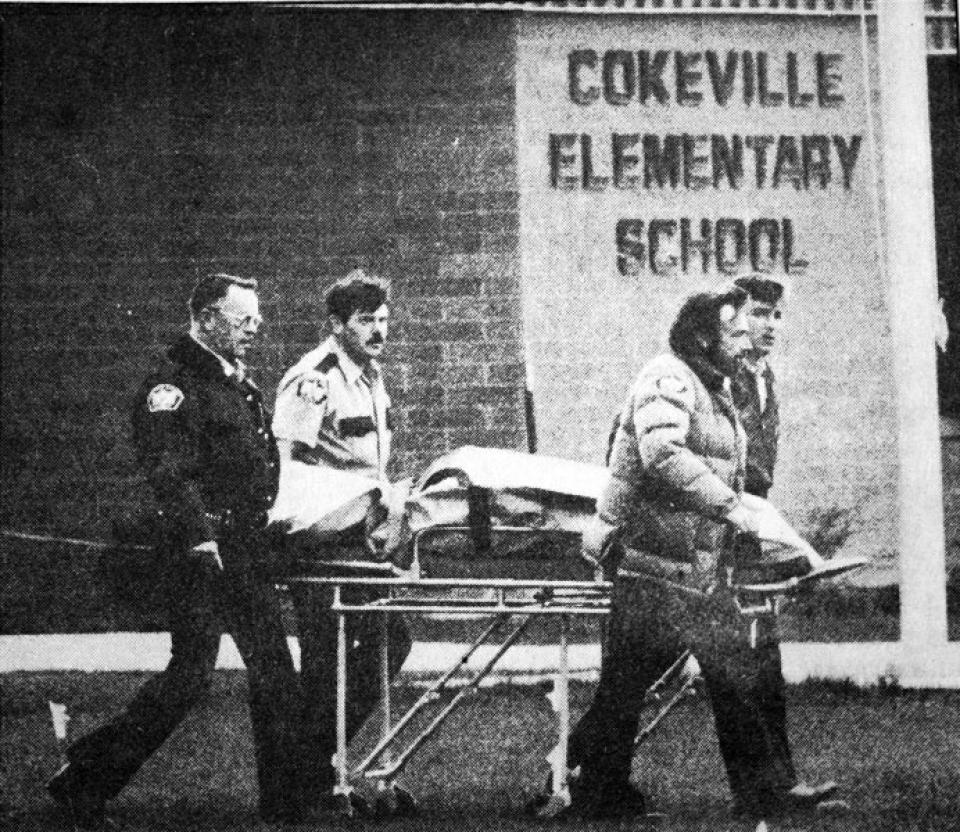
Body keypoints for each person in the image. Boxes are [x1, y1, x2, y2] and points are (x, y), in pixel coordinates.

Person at [47, 273, 306, 826]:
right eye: (244, 320)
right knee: (189, 675)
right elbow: (169, 470)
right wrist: (200, 536)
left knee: (275, 672)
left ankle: (286, 803)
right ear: (208, 318)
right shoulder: (172, 385)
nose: (255, 329)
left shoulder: (233, 381)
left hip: (242, 546)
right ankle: (85, 778)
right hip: (200, 552)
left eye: (257, 320)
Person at [563, 285, 792, 821]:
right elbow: (661, 452)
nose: (742, 341)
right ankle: (594, 788)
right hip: (652, 563)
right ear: (703, 337)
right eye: (732, 332)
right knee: (632, 686)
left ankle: (595, 785)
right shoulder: (667, 378)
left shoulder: (712, 386)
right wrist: (731, 507)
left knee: (697, 678)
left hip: (690, 566)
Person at [272, 269, 412, 812]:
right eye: (365, 321)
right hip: (322, 539)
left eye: (383, 320)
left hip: (365, 538)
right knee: (325, 656)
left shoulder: (370, 376)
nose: (378, 331)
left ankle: (320, 761)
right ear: (337, 325)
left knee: (388, 641)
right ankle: (314, 777)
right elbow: (287, 467)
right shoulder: (314, 378)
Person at [730, 273, 841, 814]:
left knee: (757, 662)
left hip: (744, 532)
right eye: (758, 314)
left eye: (776, 316)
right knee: (636, 674)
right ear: (731, 316)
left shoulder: (762, 375)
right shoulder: (715, 376)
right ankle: (585, 772)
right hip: (705, 536)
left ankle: (774, 789)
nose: (770, 326)